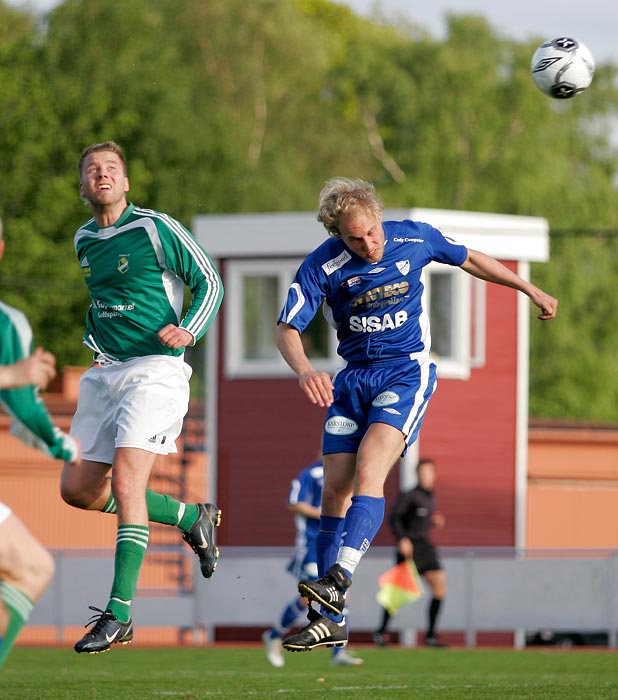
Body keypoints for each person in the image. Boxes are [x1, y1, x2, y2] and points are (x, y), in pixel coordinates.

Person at [276, 177, 558, 651]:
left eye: (372, 232)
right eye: (354, 238)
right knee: (333, 497)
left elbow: (470, 259)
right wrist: (305, 370)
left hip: (403, 375)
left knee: (371, 470)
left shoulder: (415, 236)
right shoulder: (321, 266)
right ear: (335, 235)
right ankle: (330, 618)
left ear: (380, 218)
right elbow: (287, 327)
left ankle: (339, 577)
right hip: (352, 381)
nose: (368, 244)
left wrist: (529, 288)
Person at [61, 141, 224, 654]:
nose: (101, 175)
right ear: (83, 186)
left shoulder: (155, 227)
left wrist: (189, 329)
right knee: (78, 490)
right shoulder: (83, 239)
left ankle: (120, 614)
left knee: (130, 482)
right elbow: (104, 305)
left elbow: (210, 281)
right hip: (105, 374)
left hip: (156, 371)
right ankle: (188, 516)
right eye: (92, 169)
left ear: (126, 182)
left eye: (111, 168)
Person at [0, 228, 70, 669]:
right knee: (32, 569)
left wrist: (53, 440)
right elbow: (21, 399)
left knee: (30, 568)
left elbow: (21, 410)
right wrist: (15, 373)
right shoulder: (7, 322)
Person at [262, 460, 363, 667]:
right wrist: (326, 512)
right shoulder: (312, 473)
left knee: (341, 594)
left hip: (336, 544)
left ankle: (338, 652)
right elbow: (293, 502)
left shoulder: (349, 473)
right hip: (311, 544)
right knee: (310, 598)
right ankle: (274, 636)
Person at [374, 458, 448, 648]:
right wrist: (402, 539)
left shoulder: (431, 496)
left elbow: (420, 518)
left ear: (434, 475)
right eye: (422, 472)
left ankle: (431, 636)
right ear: (417, 474)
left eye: (428, 472)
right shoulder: (409, 495)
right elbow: (394, 518)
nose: (425, 476)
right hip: (410, 547)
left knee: (440, 587)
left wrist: (433, 521)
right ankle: (380, 633)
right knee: (396, 593)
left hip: (425, 546)